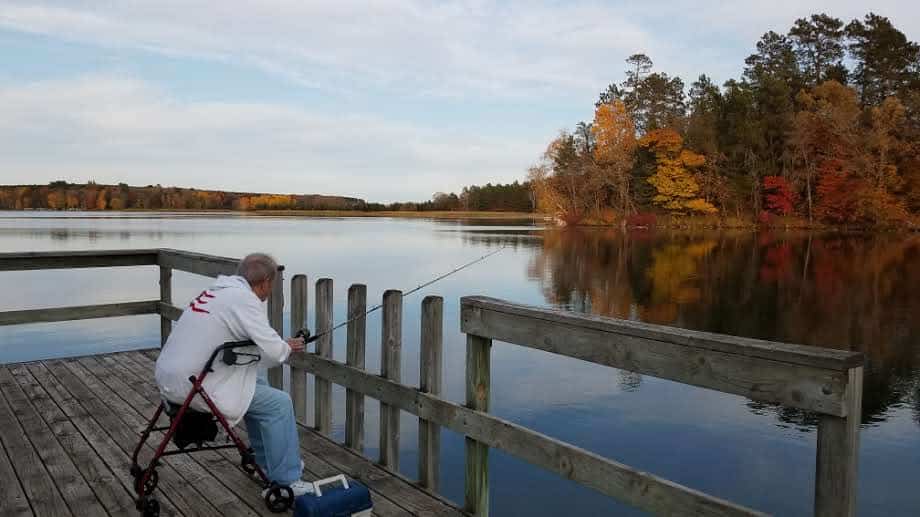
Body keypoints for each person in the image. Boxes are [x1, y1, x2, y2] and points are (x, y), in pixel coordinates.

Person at [155, 252, 313, 496]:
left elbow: (251, 344)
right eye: (272, 285)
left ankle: (265, 461)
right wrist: (287, 346)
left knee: (255, 382)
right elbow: (274, 352)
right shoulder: (245, 300)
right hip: (195, 388)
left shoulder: (217, 292)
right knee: (280, 404)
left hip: (171, 379)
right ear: (265, 283)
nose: (269, 292)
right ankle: (286, 480)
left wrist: (279, 345)